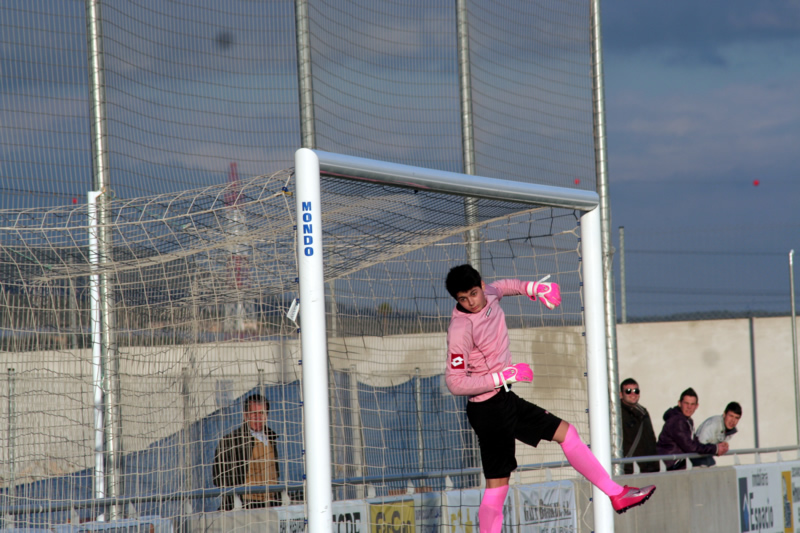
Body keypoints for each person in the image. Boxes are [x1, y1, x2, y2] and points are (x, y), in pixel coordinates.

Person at [443, 264, 655, 532]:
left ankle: (617, 494)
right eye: (463, 299)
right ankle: (616, 493)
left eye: (474, 294)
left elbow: (505, 285)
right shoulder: (460, 329)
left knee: (567, 433)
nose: (471, 302)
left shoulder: (491, 293)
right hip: (487, 409)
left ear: (482, 286)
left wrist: (535, 288)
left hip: (505, 400)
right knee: (497, 486)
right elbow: (455, 382)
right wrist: (503, 376)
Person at [213, 394, 280, 510]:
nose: (258, 418)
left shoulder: (271, 439)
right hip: (243, 506)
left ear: (267, 416)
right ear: (245, 415)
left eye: (261, 413)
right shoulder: (231, 441)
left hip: (271, 504)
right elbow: (218, 477)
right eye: (254, 413)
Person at [656, 388, 728, 471]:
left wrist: (716, 447)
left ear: (697, 406)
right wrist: (715, 449)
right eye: (686, 403)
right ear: (679, 403)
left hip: (674, 466)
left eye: (692, 404)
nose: (689, 407)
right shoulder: (678, 421)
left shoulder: (686, 420)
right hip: (669, 467)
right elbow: (690, 447)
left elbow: (695, 443)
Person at [619, 378, 659, 474]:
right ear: (621, 394)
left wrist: (655, 464)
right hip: (628, 468)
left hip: (648, 467)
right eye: (628, 391)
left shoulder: (643, 412)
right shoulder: (616, 413)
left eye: (636, 391)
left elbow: (651, 439)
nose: (633, 394)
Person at [691, 401, 742, 467]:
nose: (733, 420)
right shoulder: (713, 424)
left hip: (708, 457)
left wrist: (723, 446)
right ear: (724, 414)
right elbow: (700, 445)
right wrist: (716, 448)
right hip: (696, 459)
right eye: (731, 416)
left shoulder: (731, 429)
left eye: (736, 418)